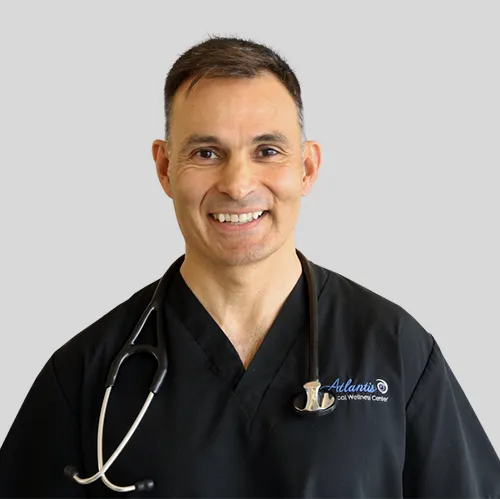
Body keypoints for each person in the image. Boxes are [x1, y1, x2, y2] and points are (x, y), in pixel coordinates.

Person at [1, 35, 499, 499]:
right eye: (206, 152)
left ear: (306, 168)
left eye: (267, 151)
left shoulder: (395, 353)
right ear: (165, 168)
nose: (238, 184)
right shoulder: (85, 374)